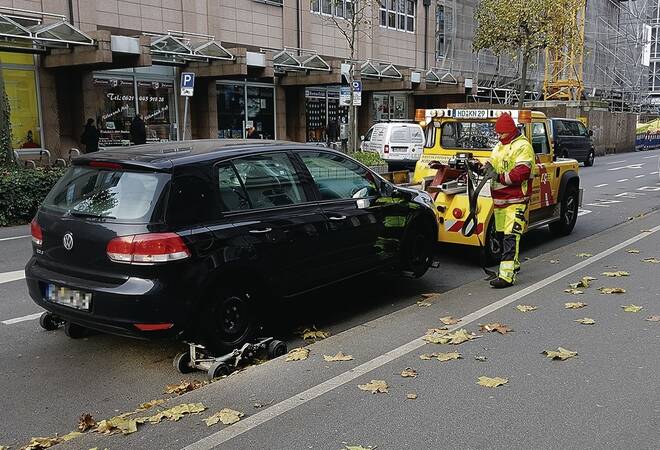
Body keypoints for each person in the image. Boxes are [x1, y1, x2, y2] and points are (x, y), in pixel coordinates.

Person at [482, 113, 536, 288]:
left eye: (501, 133)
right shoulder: (499, 146)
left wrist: (496, 176)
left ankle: (506, 276)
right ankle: (514, 264)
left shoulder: (522, 146)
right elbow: (492, 164)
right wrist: (481, 167)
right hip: (500, 200)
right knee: (501, 235)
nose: (498, 136)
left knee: (510, 236)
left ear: (510, 130)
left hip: (516, 199)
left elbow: (521, 173)